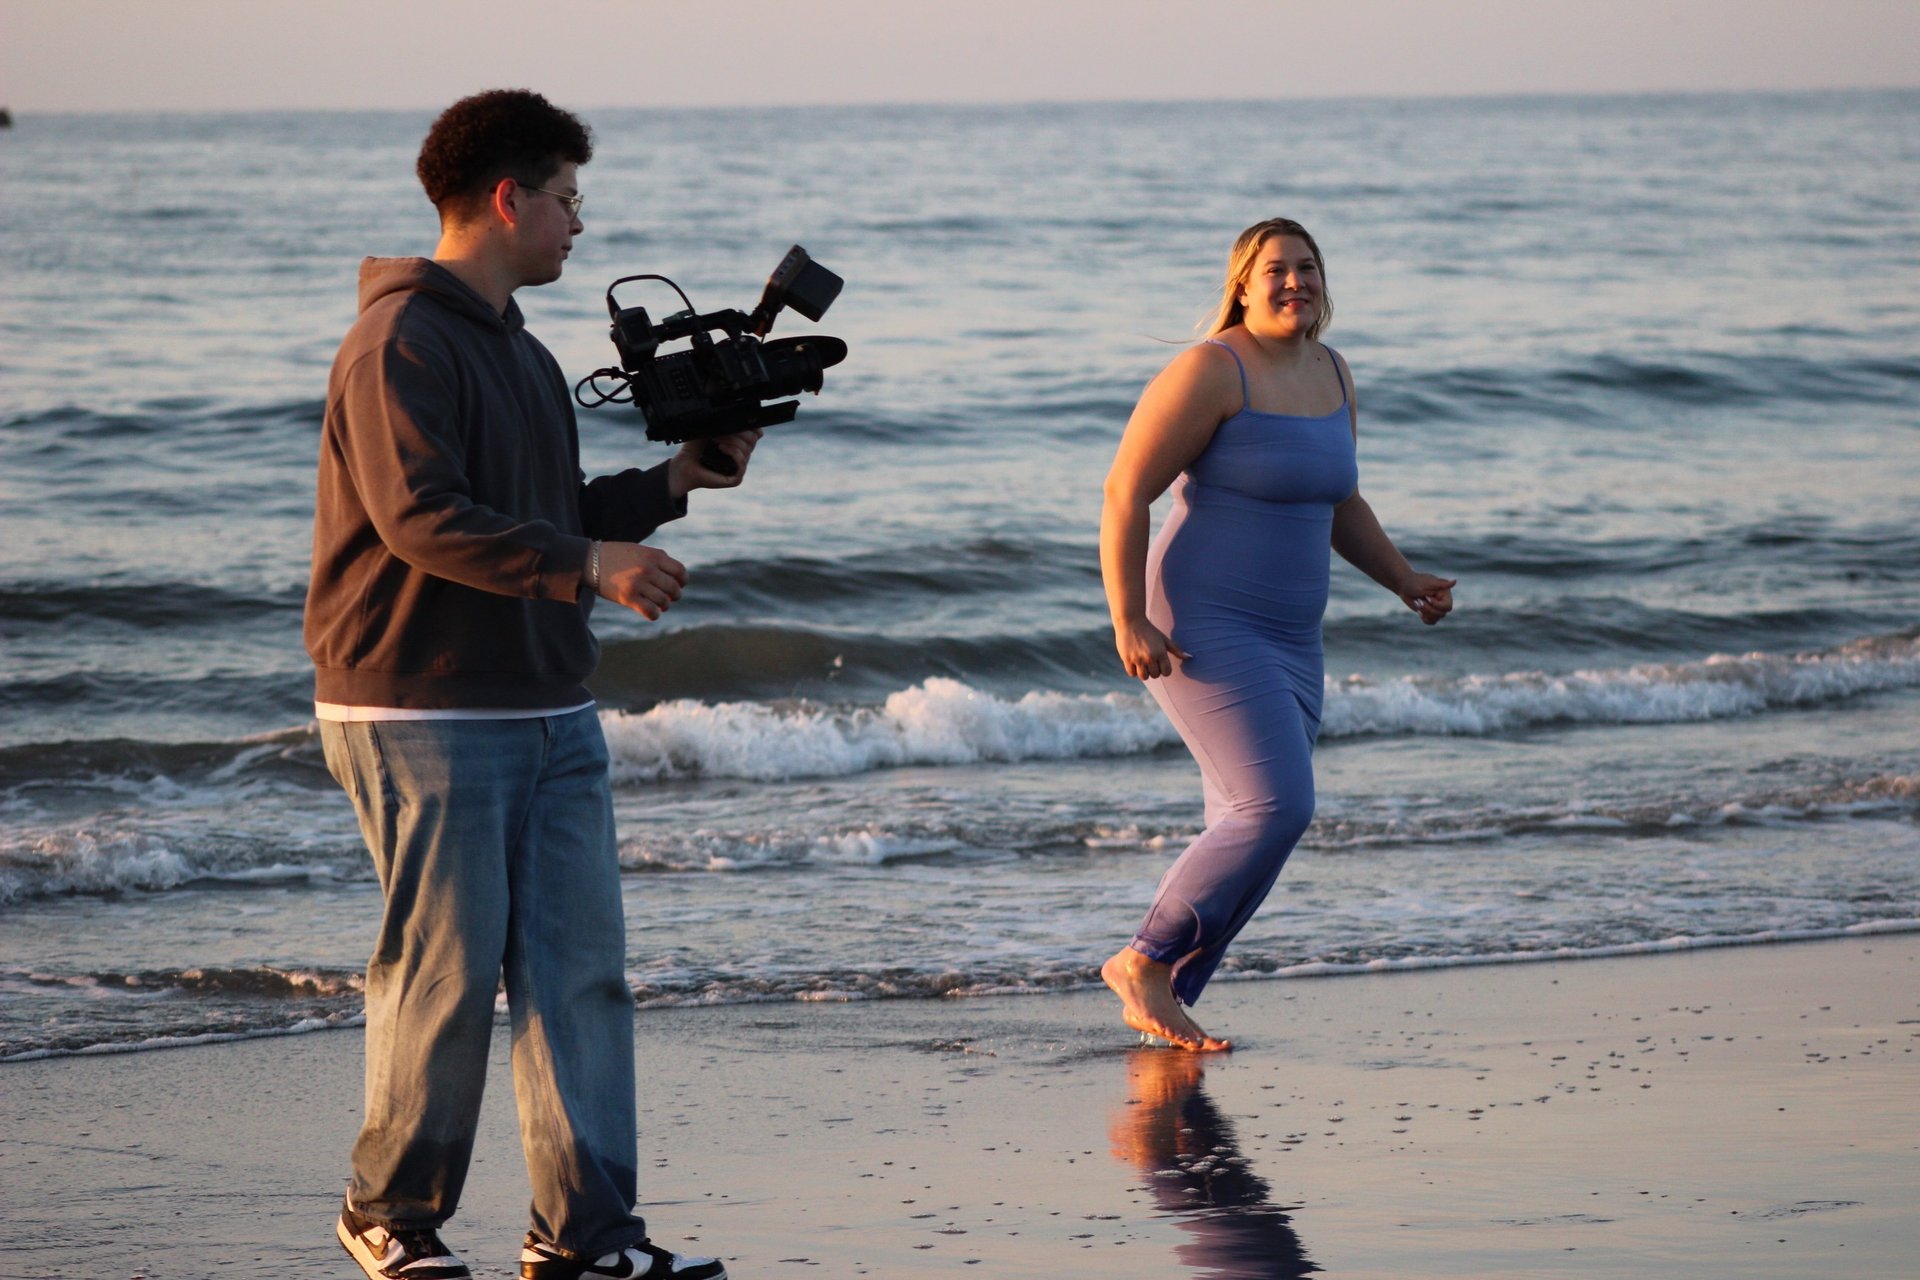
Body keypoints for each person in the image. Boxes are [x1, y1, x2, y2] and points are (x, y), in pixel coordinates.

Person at [306, 89, 751, 1280]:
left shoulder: (521, 348)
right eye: (566, 200)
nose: (577, 226)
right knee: (444, 973)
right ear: (508, 199)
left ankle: (587, 1235)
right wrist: (586, 565)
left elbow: (549, 517)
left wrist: (671, 482)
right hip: (419, 701)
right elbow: (420, 520)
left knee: (578, 977)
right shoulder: (400, 340)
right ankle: (389, 1210)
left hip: (548, 701)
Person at [1098, 217, 1455, 1052]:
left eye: (1308, 267)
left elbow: (1338, 500)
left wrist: (1403, 579)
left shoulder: (1333, 372)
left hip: (1296, 635)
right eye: (1275, 271)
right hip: (1203, 623)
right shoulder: (1210, 371)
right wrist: (1127, 616)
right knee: (1278, 805)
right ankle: (1143, 960)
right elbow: (1125, 492)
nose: (1294, 282)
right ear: (1243, 285)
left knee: (1248, 819)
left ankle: (1169, 997)